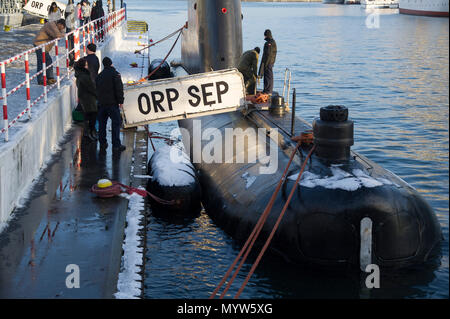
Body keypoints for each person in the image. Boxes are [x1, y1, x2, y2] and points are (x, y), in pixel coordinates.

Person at [96, 57, 126, 152]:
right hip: (112, 104)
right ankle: (116, 145)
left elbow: (96, 89)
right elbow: (119, 89)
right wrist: (120, 101)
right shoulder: (115, 74)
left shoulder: (99, 76)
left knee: (102, 125)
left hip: (102, 104)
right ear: (111, 64)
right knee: (116, 124)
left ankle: (103, 143)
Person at [33, 19, 66, 85]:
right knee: (41, 62)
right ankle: (40, 80)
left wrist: (61, 33)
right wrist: (61, 34)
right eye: (61, 27)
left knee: (48, 61)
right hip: (39, 44)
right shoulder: (51, 25)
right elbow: (58, 35)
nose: (61, 29)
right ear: (59, 24)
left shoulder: (56, 26)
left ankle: (50, 78)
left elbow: (61, 33)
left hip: (44, 46)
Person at [75, 58, 98, 140]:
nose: (87, 66)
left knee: (87, 115)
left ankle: (87, 133)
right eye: (86, 65)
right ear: (83, 66)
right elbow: (91, 88)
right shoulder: (84, 76)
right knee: (92, 115)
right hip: (88, 99)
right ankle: (89, 132)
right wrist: (97, 95)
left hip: (84, 98)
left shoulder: (79, 75)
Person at [259, 29, 277, 95]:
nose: (264, 37)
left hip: (268, 62)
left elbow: (268, 54)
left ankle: (268, 90)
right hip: (270, 62)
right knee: (268, 76)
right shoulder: (272, 42)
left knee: (268, 76)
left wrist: (266, 64)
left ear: (266, 35)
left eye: (264, 35)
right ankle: (267, 90)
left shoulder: (269, 43)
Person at [65, 0, 76, 65]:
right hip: (72, 29)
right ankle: (73, 59)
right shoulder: (72, 8)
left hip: (69, 29)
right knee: (72, 44)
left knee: (70, 45)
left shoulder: (68, 7)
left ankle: (72, 60)